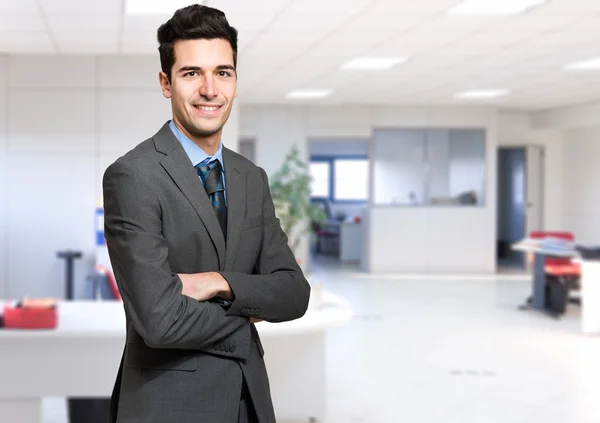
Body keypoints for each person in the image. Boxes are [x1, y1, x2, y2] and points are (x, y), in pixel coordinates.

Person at [102, 4, 311, 423]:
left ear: (234, 82)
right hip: (169, 406)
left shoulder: (251, 177)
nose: (210, 89)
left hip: (249, 404)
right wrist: (248, 314)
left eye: (223, 72)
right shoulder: (133, 176)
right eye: (192, 73)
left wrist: (218, 283)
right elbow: (159, 320)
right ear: (166, 82)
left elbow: (294, 293)